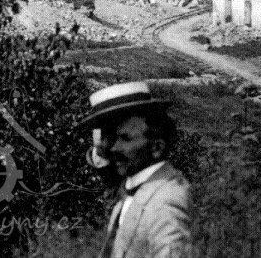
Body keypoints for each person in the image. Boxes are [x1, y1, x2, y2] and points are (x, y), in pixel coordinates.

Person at [80, 81, 192, 258]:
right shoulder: (132, 190)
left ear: (156, 147)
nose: (114, 148)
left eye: (126, 138)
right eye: (112, 138)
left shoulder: (166, 201)